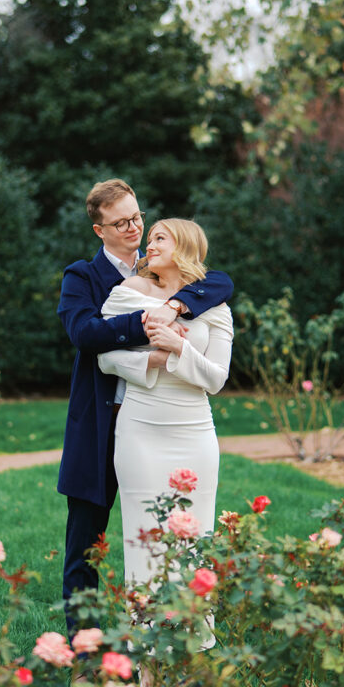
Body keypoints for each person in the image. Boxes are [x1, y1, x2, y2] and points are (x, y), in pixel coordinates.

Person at [57, 180, 233, 636]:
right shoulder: (82, 277)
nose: (135, 228)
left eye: (138, 217)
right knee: (87, 544)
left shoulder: (176, 274)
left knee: (177, 536)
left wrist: (173, 301)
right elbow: (86, 335)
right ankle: (85, 652)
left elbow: (219, 280)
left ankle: (179, 635)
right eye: (122, 223)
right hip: (103, 422)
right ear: (100, 230)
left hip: (168, 420)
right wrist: (150, 323)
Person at [97, 218, 233, 616]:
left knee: (194, 541)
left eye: (160, 237)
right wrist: (154, 360)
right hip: (141, 430)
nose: (148, 243)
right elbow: (105, 358)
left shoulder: (215, 305)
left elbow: (216, 379)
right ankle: (148, 662)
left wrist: (178, 347)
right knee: (146, 542)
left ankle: (191, 651)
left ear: (185, 246)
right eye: (150, 236)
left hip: (195, 433)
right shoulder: (127, 295)